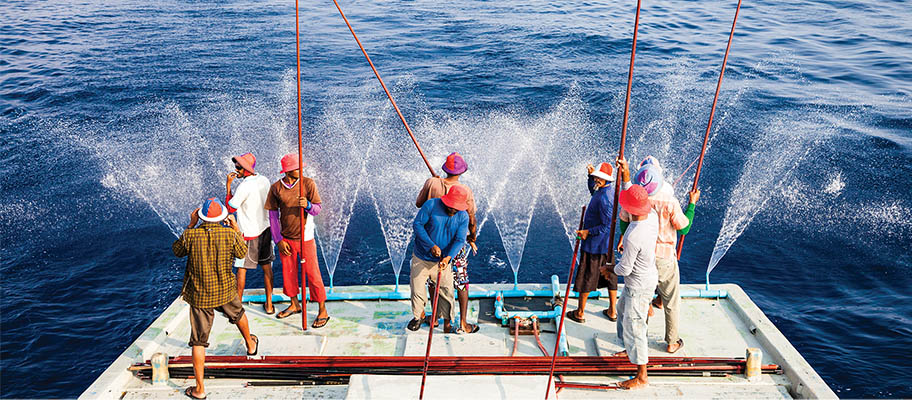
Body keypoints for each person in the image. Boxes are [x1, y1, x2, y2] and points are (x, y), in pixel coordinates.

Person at [172, 198, 259, 400]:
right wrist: (236, 228)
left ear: (200, 216)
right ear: (222, 217)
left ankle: (200, 390)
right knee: (238, 315)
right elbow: (242, 252)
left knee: (198, 341)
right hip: (225, 290)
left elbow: (177, 251)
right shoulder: (229, 234)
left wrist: (190, 224)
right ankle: (251, 345)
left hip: (200, 295)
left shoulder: (190, 235)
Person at [618, 157, 698, 353]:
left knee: (642, 300)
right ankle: (671, 342)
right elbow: (684, 228)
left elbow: (623, 223)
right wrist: (692, 205)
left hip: (643, 259)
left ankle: (639, 339)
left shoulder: (635, 199)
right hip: (665, 258)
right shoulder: (670, 201)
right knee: (671, 301)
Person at [415, 152, 479, 333]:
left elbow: (419, 204)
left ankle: (436, 318)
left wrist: (434, 187)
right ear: (461, 171)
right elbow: (471, 218)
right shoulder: (464, 190)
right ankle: (462, 324)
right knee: (460, 281)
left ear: (445, 168)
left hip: (432, 242)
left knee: (435, 280)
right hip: (454, 247)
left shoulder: (432, 183)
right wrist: (472, 238)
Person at [265, 153, 330, 328]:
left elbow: (317, 210)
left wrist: (307, 205)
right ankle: (295, 304)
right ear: (287, 171)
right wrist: (278, 240)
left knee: (313, 274)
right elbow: (272, 217)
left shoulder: (308, 184)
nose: (301, 170)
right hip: (286, 240)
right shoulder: (276, 188)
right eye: (297, 168)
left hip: (306, 238)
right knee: (289, 274)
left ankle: (322, 310)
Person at [566, 158, 630, 324]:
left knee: (588, 276)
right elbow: (593, 191)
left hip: (595, 247)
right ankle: (612, 310)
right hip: (605, 246)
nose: (596, 180)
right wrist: (590, 177)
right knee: (610, 276)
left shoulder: (605, 200)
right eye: (595, 177)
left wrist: (587, 232)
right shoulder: (603, 190)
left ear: (607, 180)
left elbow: (606, 226)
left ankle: (580, 312)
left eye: (598, 178)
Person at [613, 185, 659, 390]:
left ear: (630, 209)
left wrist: (609, 269)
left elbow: (624, 269)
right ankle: (628, 349)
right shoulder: (652, 218)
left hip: (637, 286)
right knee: (622, 310)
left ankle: (641, 376)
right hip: (648, 278)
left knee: (635, 328)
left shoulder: (633, 236)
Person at [407, 185, 470, 333]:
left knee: (447, 292)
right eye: (451, 207)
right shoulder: (431, 205)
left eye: (457, 208)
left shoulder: (463, 216)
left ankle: (447, 322)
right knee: (417, 290)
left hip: (442, 261)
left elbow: (460, 240)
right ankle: (419, 316)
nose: (453, 211)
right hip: (421, 257)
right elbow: (417, 225)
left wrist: (448, 257)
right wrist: (430, 245)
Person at [225, 152, 275, 314]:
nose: (236, 170)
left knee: (241, 270)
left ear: (246, 169)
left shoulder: (244, 186)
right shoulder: (264, 180)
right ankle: (269, 304)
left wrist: (228, 185)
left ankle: (237, 308)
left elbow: (231, 207)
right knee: (267, 268)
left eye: (238, 167)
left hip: (248, 234)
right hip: (266, 230)